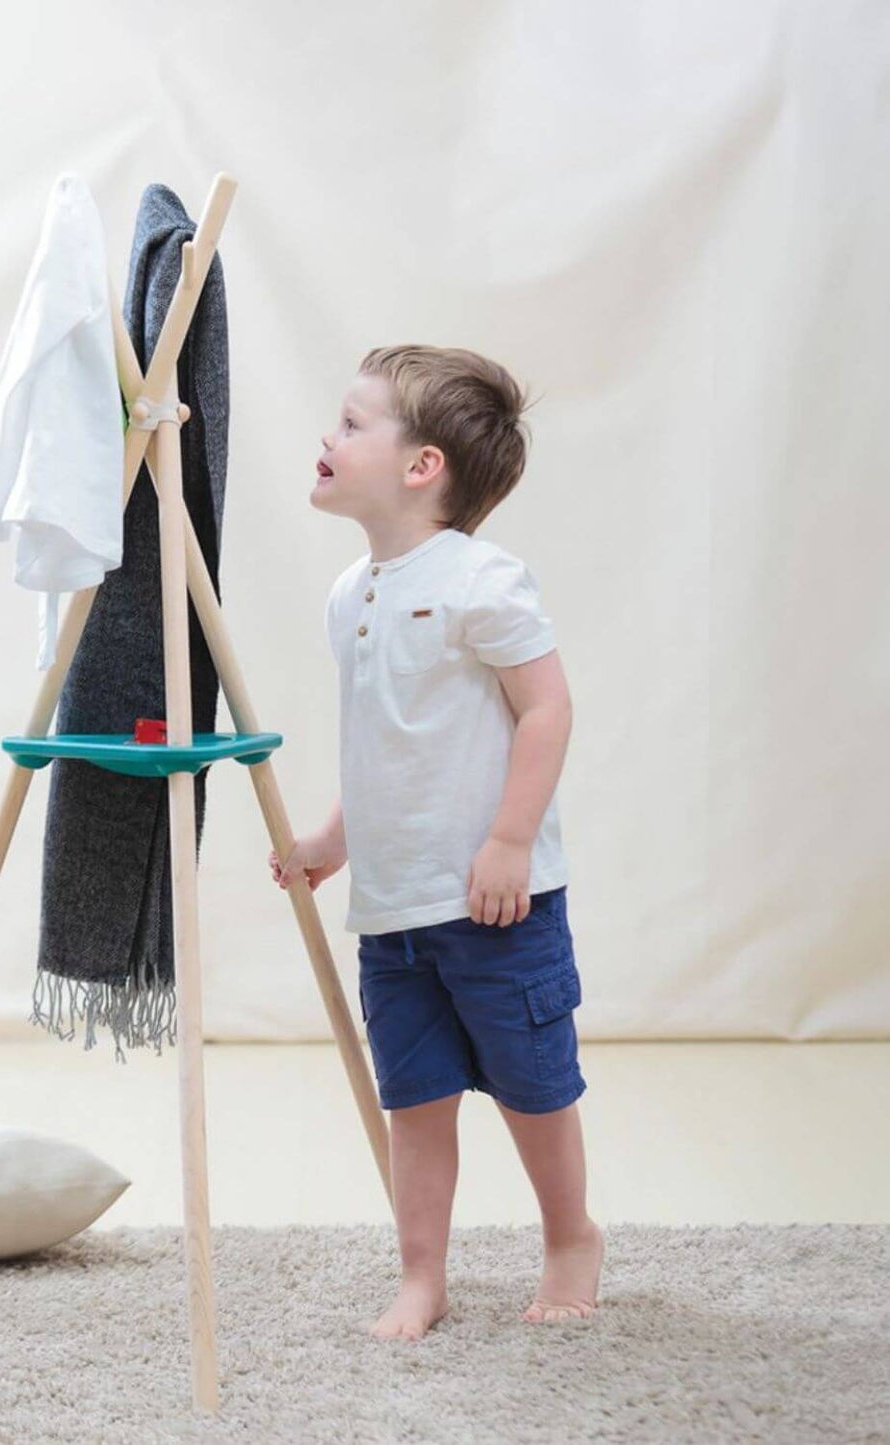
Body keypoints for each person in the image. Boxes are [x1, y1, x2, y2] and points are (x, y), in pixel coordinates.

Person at [269, 345, 603, 1340]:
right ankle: (422, 1272)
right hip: (392, 910)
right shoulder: (348, 594)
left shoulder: (481, 581)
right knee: (412, 1098)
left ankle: (568, 1234)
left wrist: (507, 840)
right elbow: (384, 744)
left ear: (421, 467)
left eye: (351, 422)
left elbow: (544, 710)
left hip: (496, 902)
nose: (327, 438)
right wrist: (332, 836)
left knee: (531, 1088)